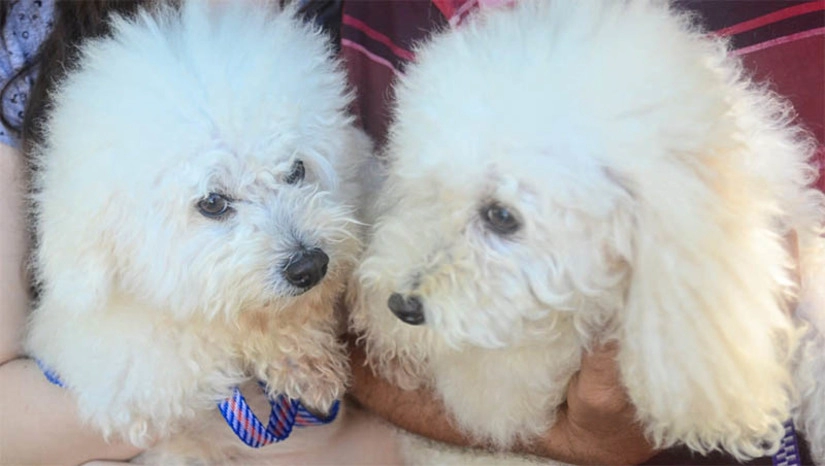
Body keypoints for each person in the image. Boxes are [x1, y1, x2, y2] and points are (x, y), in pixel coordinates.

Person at [0, 0, 820, 464]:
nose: (295, 241)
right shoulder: (47, 61)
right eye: (216, 205)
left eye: (293, 177)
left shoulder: (319, 45)